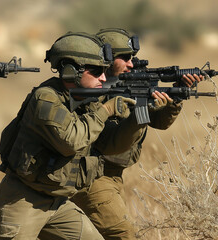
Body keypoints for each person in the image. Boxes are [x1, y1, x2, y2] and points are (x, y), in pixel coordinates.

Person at [0, 32, 149, 239]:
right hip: (22, 201)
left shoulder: (86, 99)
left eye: (104, 70)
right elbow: (70, 142)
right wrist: (105, 111)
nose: (103, 77)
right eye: (96, 71)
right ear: (70, 72)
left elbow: (111, 144)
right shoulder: (45, 98)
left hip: (58, 203)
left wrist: (138, 118)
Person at [69, 28, 203, 240]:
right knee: (124, 234)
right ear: (106, 57)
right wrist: (138, 115)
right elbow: (110, 144)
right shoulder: (91, 92)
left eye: (132, 58)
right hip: (92, 177)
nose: (131, 64)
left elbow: (159, 122)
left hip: (112, 175)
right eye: (124, 58)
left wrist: (175, 96)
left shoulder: (127, 85)